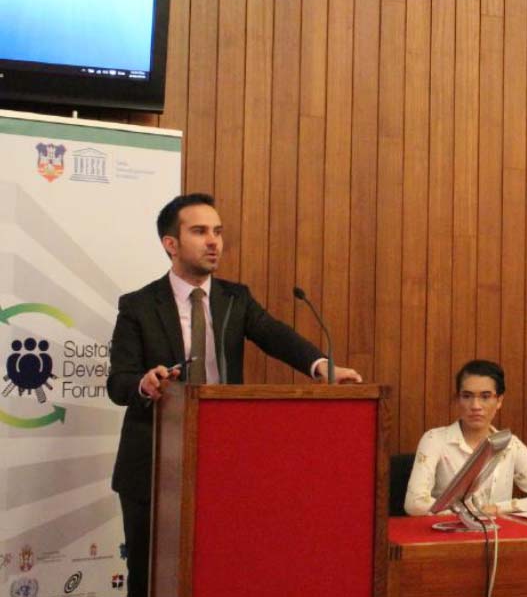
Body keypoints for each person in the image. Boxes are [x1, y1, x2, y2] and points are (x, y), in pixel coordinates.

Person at [106, 193, 362, 597]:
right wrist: (145, 382)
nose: (214, 241)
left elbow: (275, 335)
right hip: (152, 463)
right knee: (149, 575)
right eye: (200, 231)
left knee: (221, 569)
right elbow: (118, 382)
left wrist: (322, 366)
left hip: (223, 460)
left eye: (218, 232)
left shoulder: (234, 299)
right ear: (171, 244)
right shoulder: (138, 305)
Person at [404, 359, 527, 516]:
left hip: (497, 531)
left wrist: (498, 508)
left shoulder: (510, 444)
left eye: (485, 397)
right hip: (448, 529)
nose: (475, 406)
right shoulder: (435, 440)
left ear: (499, 401)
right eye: (467, 396)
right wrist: (468, 514)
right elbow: (414, 503)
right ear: (458, 399)